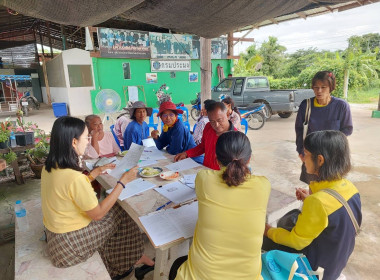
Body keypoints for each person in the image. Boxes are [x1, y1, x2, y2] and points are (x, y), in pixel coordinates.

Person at [41, 116, 154, 280]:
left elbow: (68, 191)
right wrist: (122, 182)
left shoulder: (50, 167)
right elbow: (98, 214)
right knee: (122, 211)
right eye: (85, 137)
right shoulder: (74, 177)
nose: (87, 142)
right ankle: (131, 258)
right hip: (69, 247)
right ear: (73, 142)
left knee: (114, 209)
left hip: (56, 238)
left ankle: (126, 258)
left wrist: (94, 173)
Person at [170, 131, 271, 280]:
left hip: (200, 276)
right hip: (248, 277)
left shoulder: (204, 179)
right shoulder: (263, 185)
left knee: (177, 264)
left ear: (216, 159)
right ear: (249, 159)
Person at [264, 130, 361, 280]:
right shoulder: (350, 187)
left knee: (267, 239)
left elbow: (295, 241)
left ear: (320, 160)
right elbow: (332, 215)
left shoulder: (318, 202)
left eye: (306, 154)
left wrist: (267, 230)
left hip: (316, 269)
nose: (302, 158)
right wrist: (309, 197)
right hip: (335, 261)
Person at [296, 71, 353, 184]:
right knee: (313, 186)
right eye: (316, 87)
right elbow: (299, 130)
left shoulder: (341, 106)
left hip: (333, 156)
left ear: (331, 88)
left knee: (331, 187)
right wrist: (301, 151)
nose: (319, 91)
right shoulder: (306, 106)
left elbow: (346, 130)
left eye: (323, 87)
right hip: (312, 155)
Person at [175, 102, 236, 170]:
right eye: (212, 121)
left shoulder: (236, 136)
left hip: (222, 177)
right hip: (206, 171)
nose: (216, 125)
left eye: (220, 120)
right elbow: (203, 146)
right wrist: (186, 153)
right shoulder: (208, 127)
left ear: (227, 115)